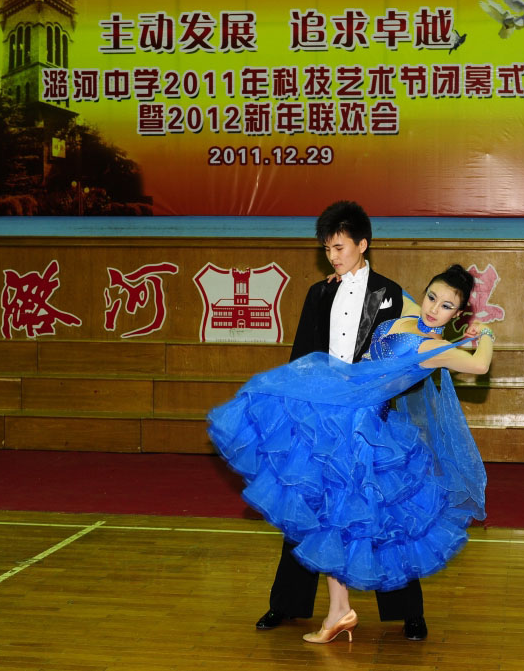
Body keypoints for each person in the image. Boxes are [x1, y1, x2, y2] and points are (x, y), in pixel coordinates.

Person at [208, 260, 494, 644]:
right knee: (329, 514)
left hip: (362, 431)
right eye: (432, 296)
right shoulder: (410, 312)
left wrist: (485, 331)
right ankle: (338, 610)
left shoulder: (437, 348)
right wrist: (345, 276)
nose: (433, 308)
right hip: (339, 413)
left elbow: (480, 364)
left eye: (446, 306)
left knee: (341, 517)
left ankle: (342, 611)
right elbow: (387, 289)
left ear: (457, 315)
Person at [241, 200, 430, 640]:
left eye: (339, 247)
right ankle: (286, 604)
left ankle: (408, 611)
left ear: (363, 244)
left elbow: (404, 362)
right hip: (322, 420)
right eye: (327, 249)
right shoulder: (319, 293)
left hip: (371, 420)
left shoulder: (392, 294)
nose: (332, 256)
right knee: (307, 509)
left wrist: (373, 401)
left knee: (382, 511)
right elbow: (301, 357)